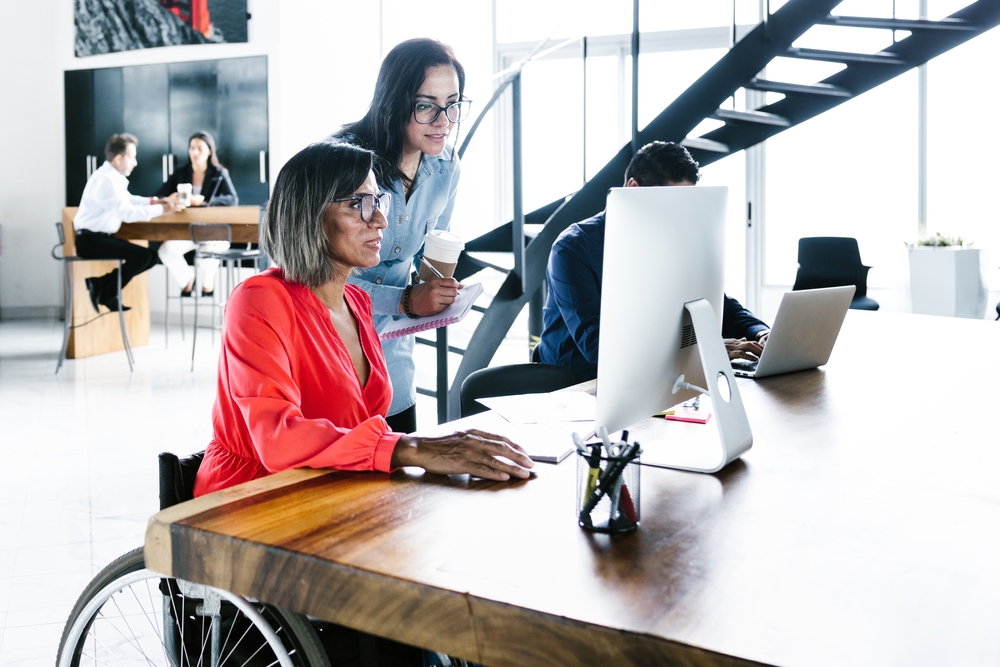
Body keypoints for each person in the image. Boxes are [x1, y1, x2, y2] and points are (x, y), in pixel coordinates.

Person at [193, 141, 531, 665]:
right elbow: (278, 438)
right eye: (358, 205)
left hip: (331, 491)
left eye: (381, 203)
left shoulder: (354, 299)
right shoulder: (259, 300)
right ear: (309, 216)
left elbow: (363, 420)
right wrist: (411, 449)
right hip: (257, 500)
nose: (380, 221)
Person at [536, 141, 770, 381]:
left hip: (653, 377)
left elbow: (716, 304)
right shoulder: (573, 248)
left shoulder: (675, 241)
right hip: (574, 384)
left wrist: (762, 333)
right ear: (633, 188)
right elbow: (597, 346)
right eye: (670, 203)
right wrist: (706, 347)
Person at [332, 38, 472, 434]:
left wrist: (436, 291)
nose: (443, 120)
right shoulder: (343, 163)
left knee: (402, 473)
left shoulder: (446, 166)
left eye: (453, 104)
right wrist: (407, 300)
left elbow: (432, 251)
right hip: (334, 342)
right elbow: (325, 279)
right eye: (426, 105)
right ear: (395, 103)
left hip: (392, 347)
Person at [74, 133, 181, 313]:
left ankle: (101, 285)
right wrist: (164, 210)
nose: (135, 162)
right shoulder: (105, 181)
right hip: (90, 241)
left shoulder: (111, 178)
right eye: (131, 157)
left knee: (150, 257)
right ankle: (104, 290)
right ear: (118, 159)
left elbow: (129, 200)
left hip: (98, 239)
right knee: (144, 256)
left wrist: (157, 201)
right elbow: (127, 213)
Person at [155, 130, 237, 297]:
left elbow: (232, 199)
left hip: (213, 229)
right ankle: (187, 280)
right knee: (165, 250)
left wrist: (205, 202)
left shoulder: (219, 174)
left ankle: (208, 286)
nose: (195, 152)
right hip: (187, 229)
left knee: (206, 252)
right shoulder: (180, 173)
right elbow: (159, 196)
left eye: (199, 148)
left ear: (209, 151)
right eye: (192, 148)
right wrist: (171, 199)